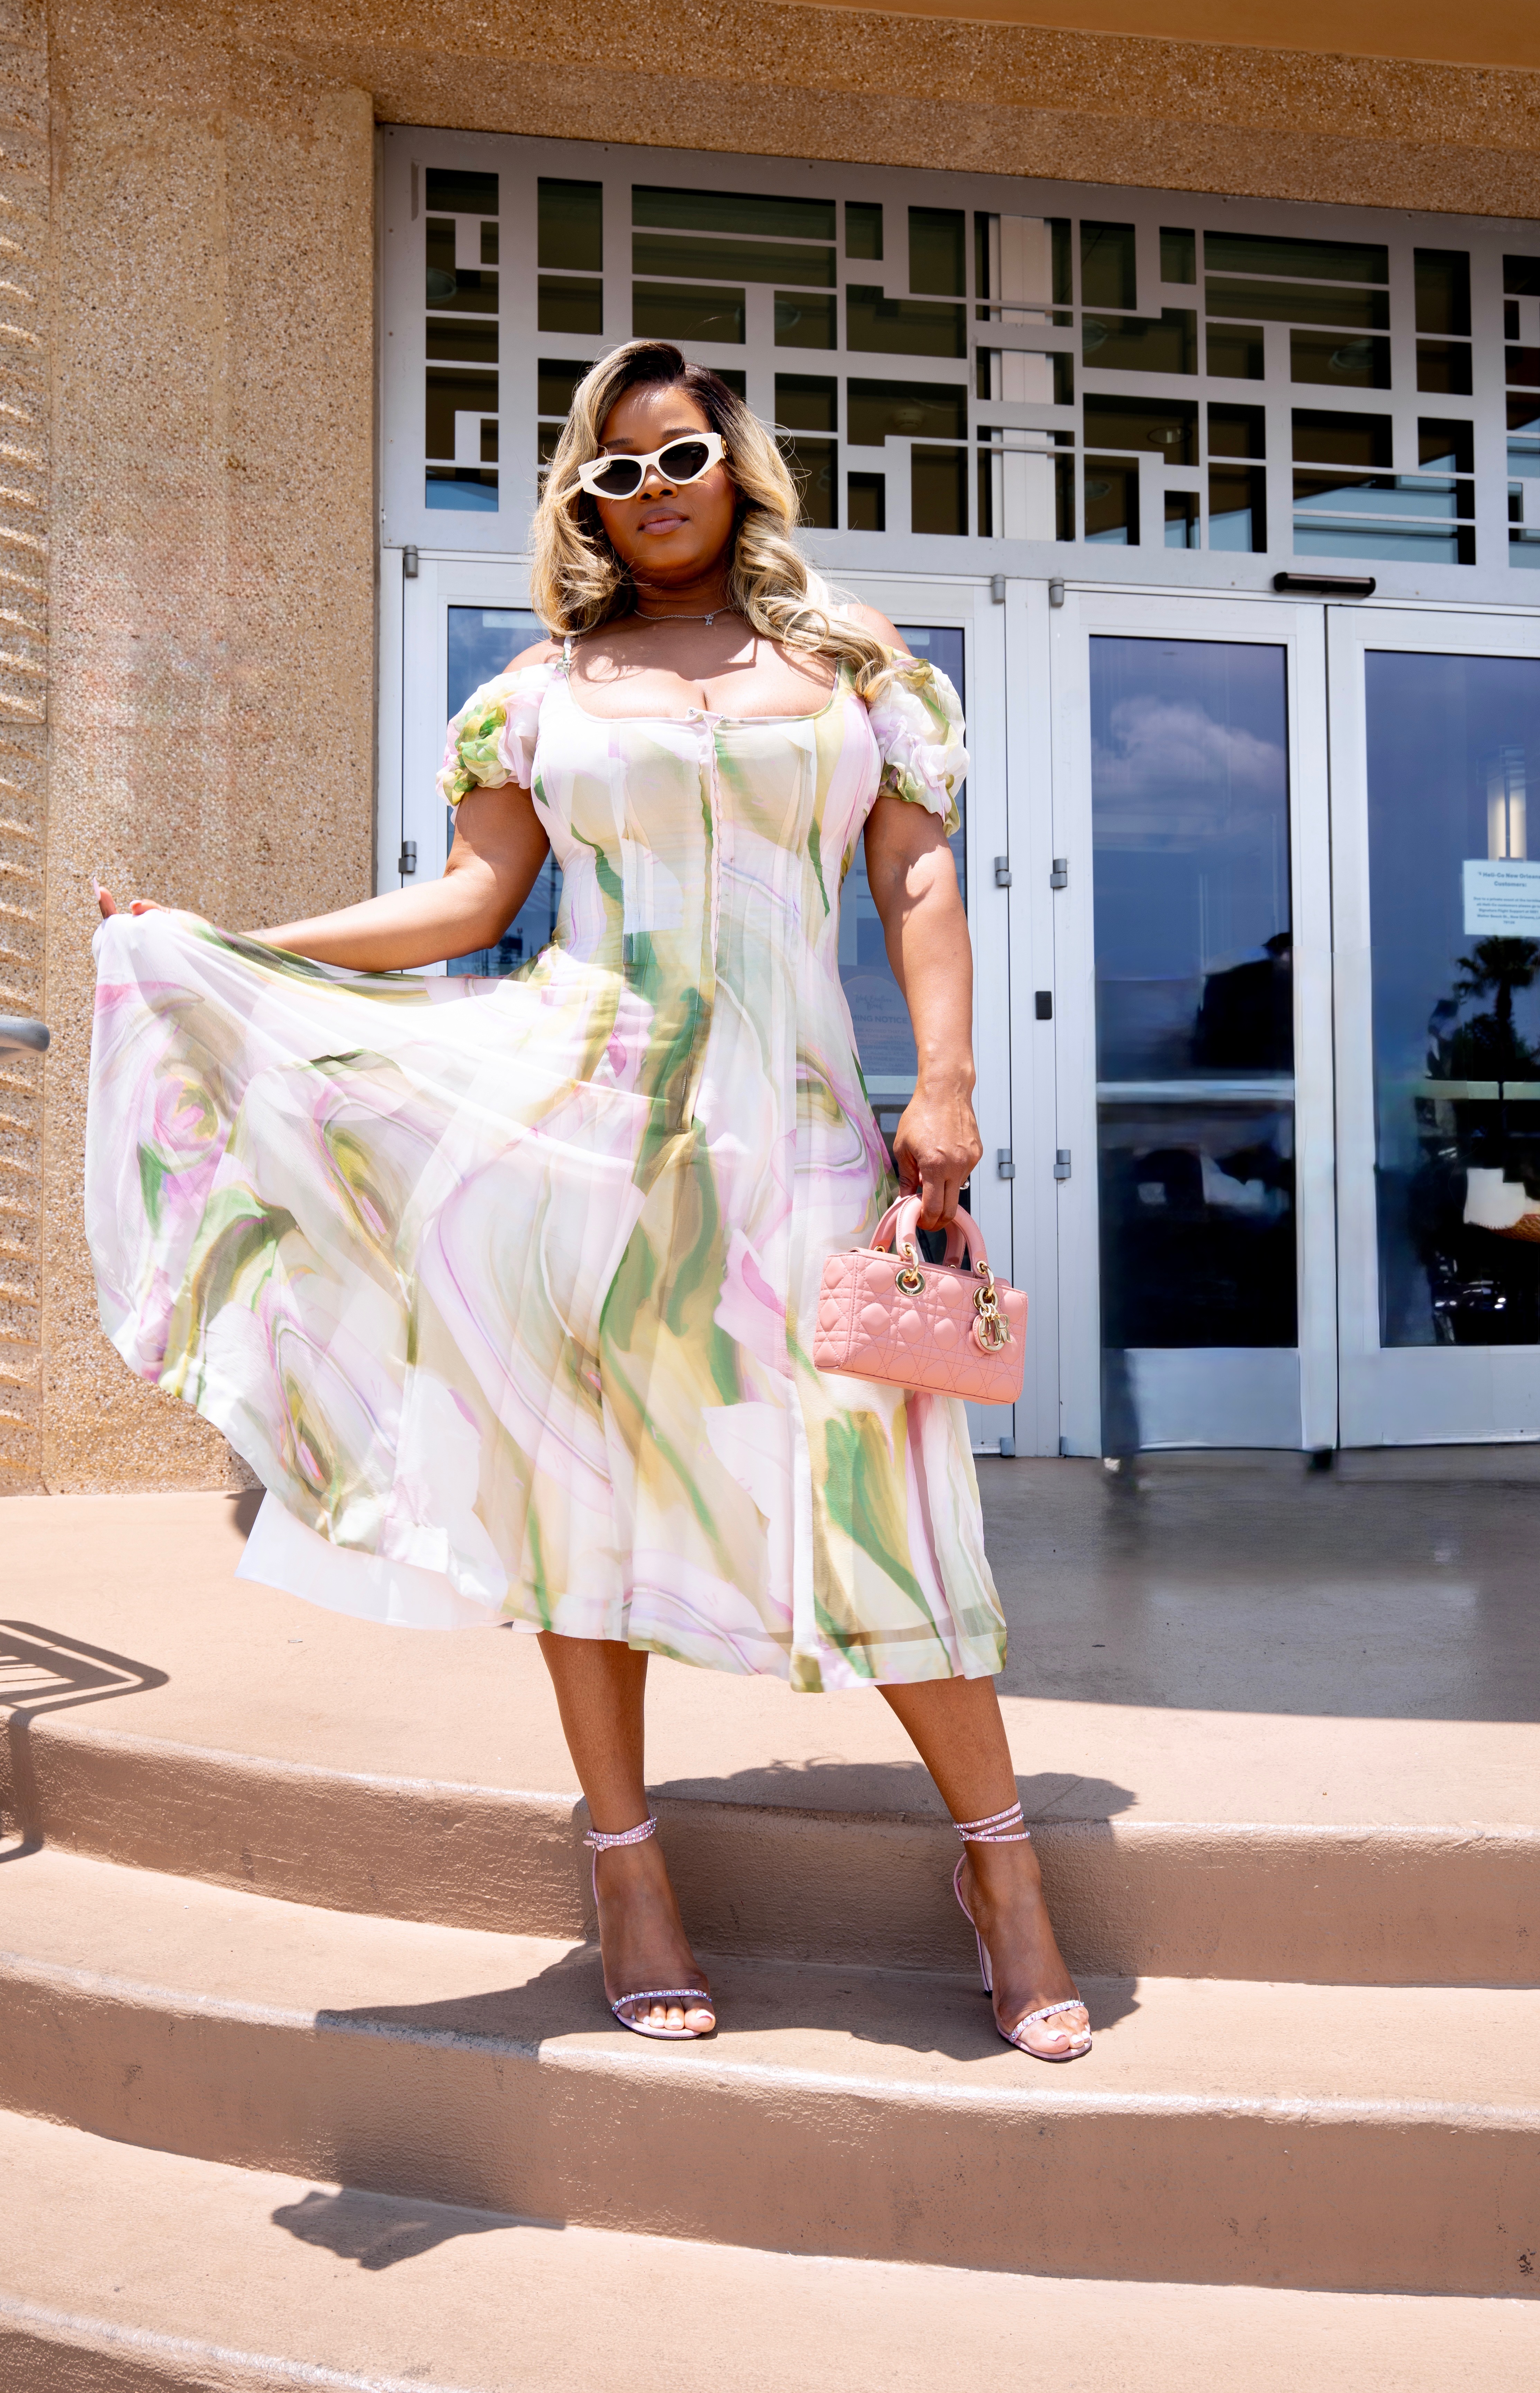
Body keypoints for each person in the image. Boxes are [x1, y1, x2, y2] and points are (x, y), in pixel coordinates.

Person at [89, 338, 1089, 2060]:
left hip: (807, 1147)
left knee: (888, 1493)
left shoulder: (856, 670)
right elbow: (472, 902)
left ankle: (1001, 1874)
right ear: (581, 502)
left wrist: (948, 1083)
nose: (654, 489)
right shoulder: (537, 696)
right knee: (583, 1502)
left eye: (680, 451)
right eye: (613, 471)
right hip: (581, 1138)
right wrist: (232, 949)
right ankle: (627, 1866)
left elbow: (916, 873)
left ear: (735, 460)